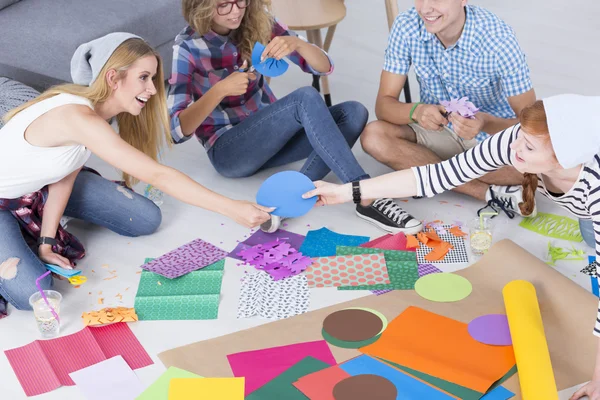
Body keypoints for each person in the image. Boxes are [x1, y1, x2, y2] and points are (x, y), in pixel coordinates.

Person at [303, 95, 600, 399]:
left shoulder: (595, 189)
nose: (514, 147)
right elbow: (436, 175)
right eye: (519, 138)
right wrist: (346, 191)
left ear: (566, 157)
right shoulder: (517, 140)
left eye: (529, 147)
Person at [0, 32, 273, 311]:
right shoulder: (79, 117)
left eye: (153, 78)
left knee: (145, 217)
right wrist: (231, 208)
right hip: (3, 202)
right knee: (32, 294)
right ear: (113, 78)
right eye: (144, 77)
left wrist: (47, 242)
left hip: (41, 187)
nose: (153, 89)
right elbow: (159, 175)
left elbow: (63, 177)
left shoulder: (95, 116)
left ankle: (30, 234)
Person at [167, 0, 422, 234]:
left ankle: (287, 202)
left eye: (240, 1)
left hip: (273, 139)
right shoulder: (187, 46)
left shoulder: (258, 21)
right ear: (201, 5)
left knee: (354, 112)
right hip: (230, 152)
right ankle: (365, 195)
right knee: (304, 97)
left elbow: (324, 67)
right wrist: (219, 90)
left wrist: (299, 44)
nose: (235, 10)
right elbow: (176, 130)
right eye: (223, 5)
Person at [360, 0, 536, 217]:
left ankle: (428, 169)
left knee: (534, 168)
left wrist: (485, 123)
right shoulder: (406, 26)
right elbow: (384, 105)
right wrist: (417, 111)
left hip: (489, 140)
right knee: (373, 136)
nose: (425, 9)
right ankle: (484, 193)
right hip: (437, 132)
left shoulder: (498, 40)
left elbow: (532, 123)